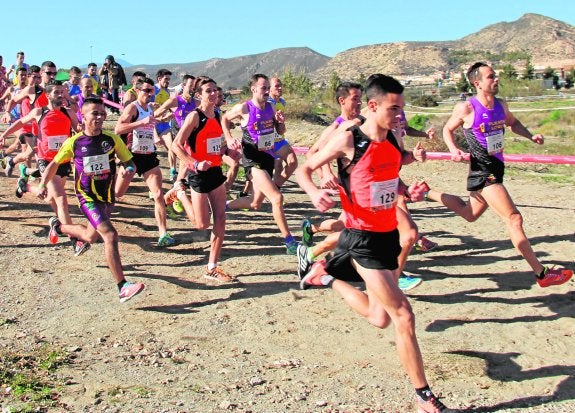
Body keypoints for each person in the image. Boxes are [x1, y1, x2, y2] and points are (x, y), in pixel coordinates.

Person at [296, 74, 453, 413]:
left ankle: (324, 276)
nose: (400, 115)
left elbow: (391, 171)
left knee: (378, 317)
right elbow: (305, 168)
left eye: (402, 108)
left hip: (387, 238)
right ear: (372, 106)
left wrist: (406, 189)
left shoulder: (393, 139)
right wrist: (313, 192)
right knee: (403, 315)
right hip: (361, 239)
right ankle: (424, 395)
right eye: (394, 109)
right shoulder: (349, 139)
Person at [422, 62, 572, 288]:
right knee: (514, 218)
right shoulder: (467, 108)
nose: (496, 79)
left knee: (469, 214)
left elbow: (513, 123)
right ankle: (541, 274)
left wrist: (531, 137)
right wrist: (453, 149)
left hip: (496, 169)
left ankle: (426, 192)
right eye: (491, 77)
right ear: (477, 83)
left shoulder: (501, 105)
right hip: (484, 171)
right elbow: (447, 129)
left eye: (496, 76)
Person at [36, 97, 145, 302]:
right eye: (95, 113)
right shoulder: (74, 142)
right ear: (83, 116)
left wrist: (128, 170)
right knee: (110, 235)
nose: (100, 117)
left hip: (107, 196)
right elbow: (53, 164)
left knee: (89, 236)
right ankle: (122, 286)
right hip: (87, 197)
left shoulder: (111, 139)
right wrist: (42, 184)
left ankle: (58, 228)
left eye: (102, 113)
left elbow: (129, 161)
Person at [170, 78, 241, 282]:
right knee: (202, 224)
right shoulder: (194, 116)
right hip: (198, 174)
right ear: (199, 95)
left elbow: (215, 144)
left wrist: (229, 151)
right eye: (208, 91)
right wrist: (194, 164)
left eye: (215, 91)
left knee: (221, 218)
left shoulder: (218, 116)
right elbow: (176, 145)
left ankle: (212, 266)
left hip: (216, 172)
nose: (213, 94)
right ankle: (180, 194)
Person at [221, 73, 298, 255]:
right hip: (252, 160)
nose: (266, 92)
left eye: (266, 88)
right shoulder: (244, 108)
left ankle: (222, 206)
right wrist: (229, 137)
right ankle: (290, 241)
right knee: (277, 198)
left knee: (255, 203)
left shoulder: (271, 107)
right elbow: (224, 118)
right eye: (263, 88)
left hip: (268, 156)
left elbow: (280, 131)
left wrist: (280, 122)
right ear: (254, 89)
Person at [114, 77, 175, 247]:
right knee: (118, 193)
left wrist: (161, 121)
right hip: (131, 156)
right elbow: (118, 129)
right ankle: (98, 216)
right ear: (138, 91)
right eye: (146, 91)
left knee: (158, 195)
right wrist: (141, 122)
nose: (150, 94)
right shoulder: (132, 108)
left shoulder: (150, 108)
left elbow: (149, 124)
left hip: (148, 156)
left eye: (152, 91)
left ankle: (163, 233)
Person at [268, 77, 298, 189]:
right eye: (276, 86)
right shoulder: (266, 102)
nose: (280, 88)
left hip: (280, 138)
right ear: (269, 88)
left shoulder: (282, 102)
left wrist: (280, 124)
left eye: (281, 85)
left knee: (292, 162)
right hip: (267, 141)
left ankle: (275, 188)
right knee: (276, 164)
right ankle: (248, 192)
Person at [151, 68, 177, 181]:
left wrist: (171, 114)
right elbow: (149, 109)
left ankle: (173, 171)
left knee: (172, 147)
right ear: (159, 79)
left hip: (164, 124)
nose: (168, 81)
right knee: (151, 152)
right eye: (166, 79)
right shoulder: (153, 90)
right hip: (152, 125)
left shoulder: (167, 92)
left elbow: (169, 107)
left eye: (169, 79)